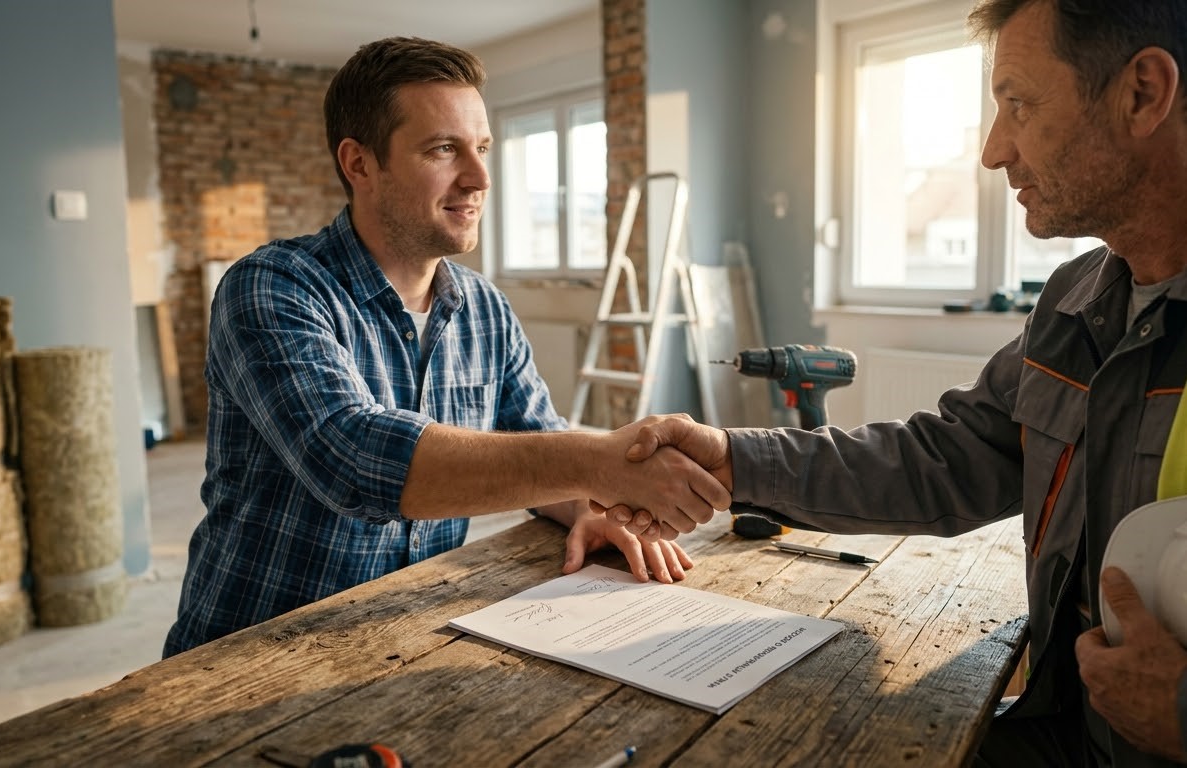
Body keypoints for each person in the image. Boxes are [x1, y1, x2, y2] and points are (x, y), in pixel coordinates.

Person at [602, 1, 1187, 764]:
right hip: (1061, 727)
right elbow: (940, 458)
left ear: (1142, 92)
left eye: (1018, 104)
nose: (993, 150)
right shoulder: (1074, 305)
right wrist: (733, 457)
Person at [163, 37, 730, 658]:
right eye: (443, 149)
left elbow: (534, 440)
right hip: (249, 649)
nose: (480, 178)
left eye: (482, 148)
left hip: (402, 639)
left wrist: (584, 506)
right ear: (359, 164)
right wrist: (598, 461)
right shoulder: (272, 285)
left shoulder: (484, 309)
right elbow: (351, 459)